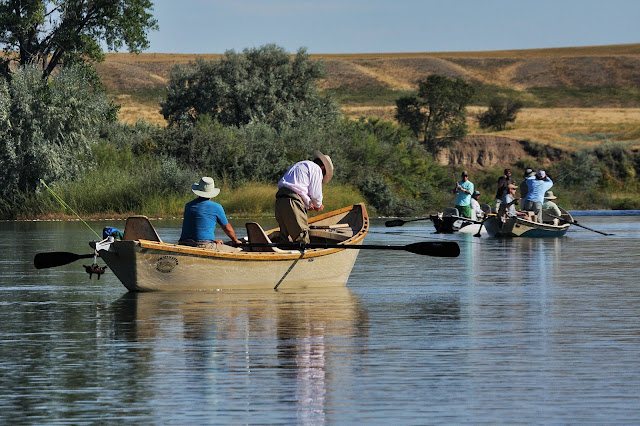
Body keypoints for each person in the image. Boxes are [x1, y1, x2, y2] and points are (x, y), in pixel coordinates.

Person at [275, 150, 334, 243]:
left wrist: (307, 203)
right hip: (293, 202)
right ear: (322, 168)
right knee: (302, 239)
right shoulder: (316, 169)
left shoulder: (301, 165)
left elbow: (297, 188)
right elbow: (315, 194)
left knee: (285, 237)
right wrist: (318, 205)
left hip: (280, 200)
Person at [178, 176, 241, 250]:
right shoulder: (216, 207)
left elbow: (195, 228)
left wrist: (212, 240)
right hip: (203, 245)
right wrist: (235, 240)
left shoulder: (188, 205)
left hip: (184, 243)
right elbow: (228, 228)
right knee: (238, 250)